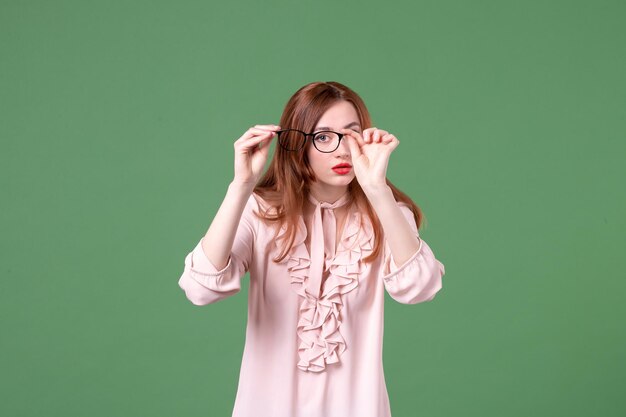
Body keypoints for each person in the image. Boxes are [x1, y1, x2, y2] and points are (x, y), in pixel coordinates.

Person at [178, 81, 446, 417]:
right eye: (323, 136)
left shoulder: (387, 213)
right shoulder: (261, 212)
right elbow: (200, 289)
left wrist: (377, 190)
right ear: (297, 144)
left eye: (352, 134)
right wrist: (240, 187)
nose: (342, 150)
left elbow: (420, 288)